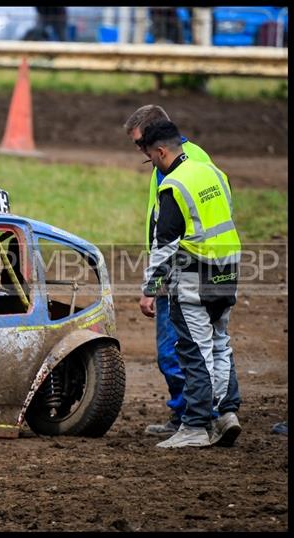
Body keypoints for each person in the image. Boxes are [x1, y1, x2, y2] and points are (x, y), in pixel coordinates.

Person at [137, 120, 242, 449]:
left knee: (194, 351)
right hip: (229, 272)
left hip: (195, 277)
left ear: (161, 151)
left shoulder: (173, 185)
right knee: (220, 345)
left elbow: (164, 246)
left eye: (150, 157)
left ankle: (196, 425)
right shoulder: (214, 173)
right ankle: (225, 414)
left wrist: (149, 289)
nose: (152, 164)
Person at [123, 104, 215, 437]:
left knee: (177, 349)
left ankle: (193, 415)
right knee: (201, 345)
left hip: (183, 269)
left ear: (156, 139)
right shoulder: (182, 157)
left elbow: (176, 228)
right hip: (192, 267)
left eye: (140, 144)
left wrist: (155, 282)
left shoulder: (180, 163)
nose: (141, 153)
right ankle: (204, 411)